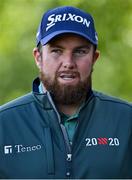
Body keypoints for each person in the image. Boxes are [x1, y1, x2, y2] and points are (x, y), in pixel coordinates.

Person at [0, 6, 132, 179]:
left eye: (80, 51)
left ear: (94, 58)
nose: (68, 62)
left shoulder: (126, 121)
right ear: (38, 57)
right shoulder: (4, 125)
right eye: (56, 51)